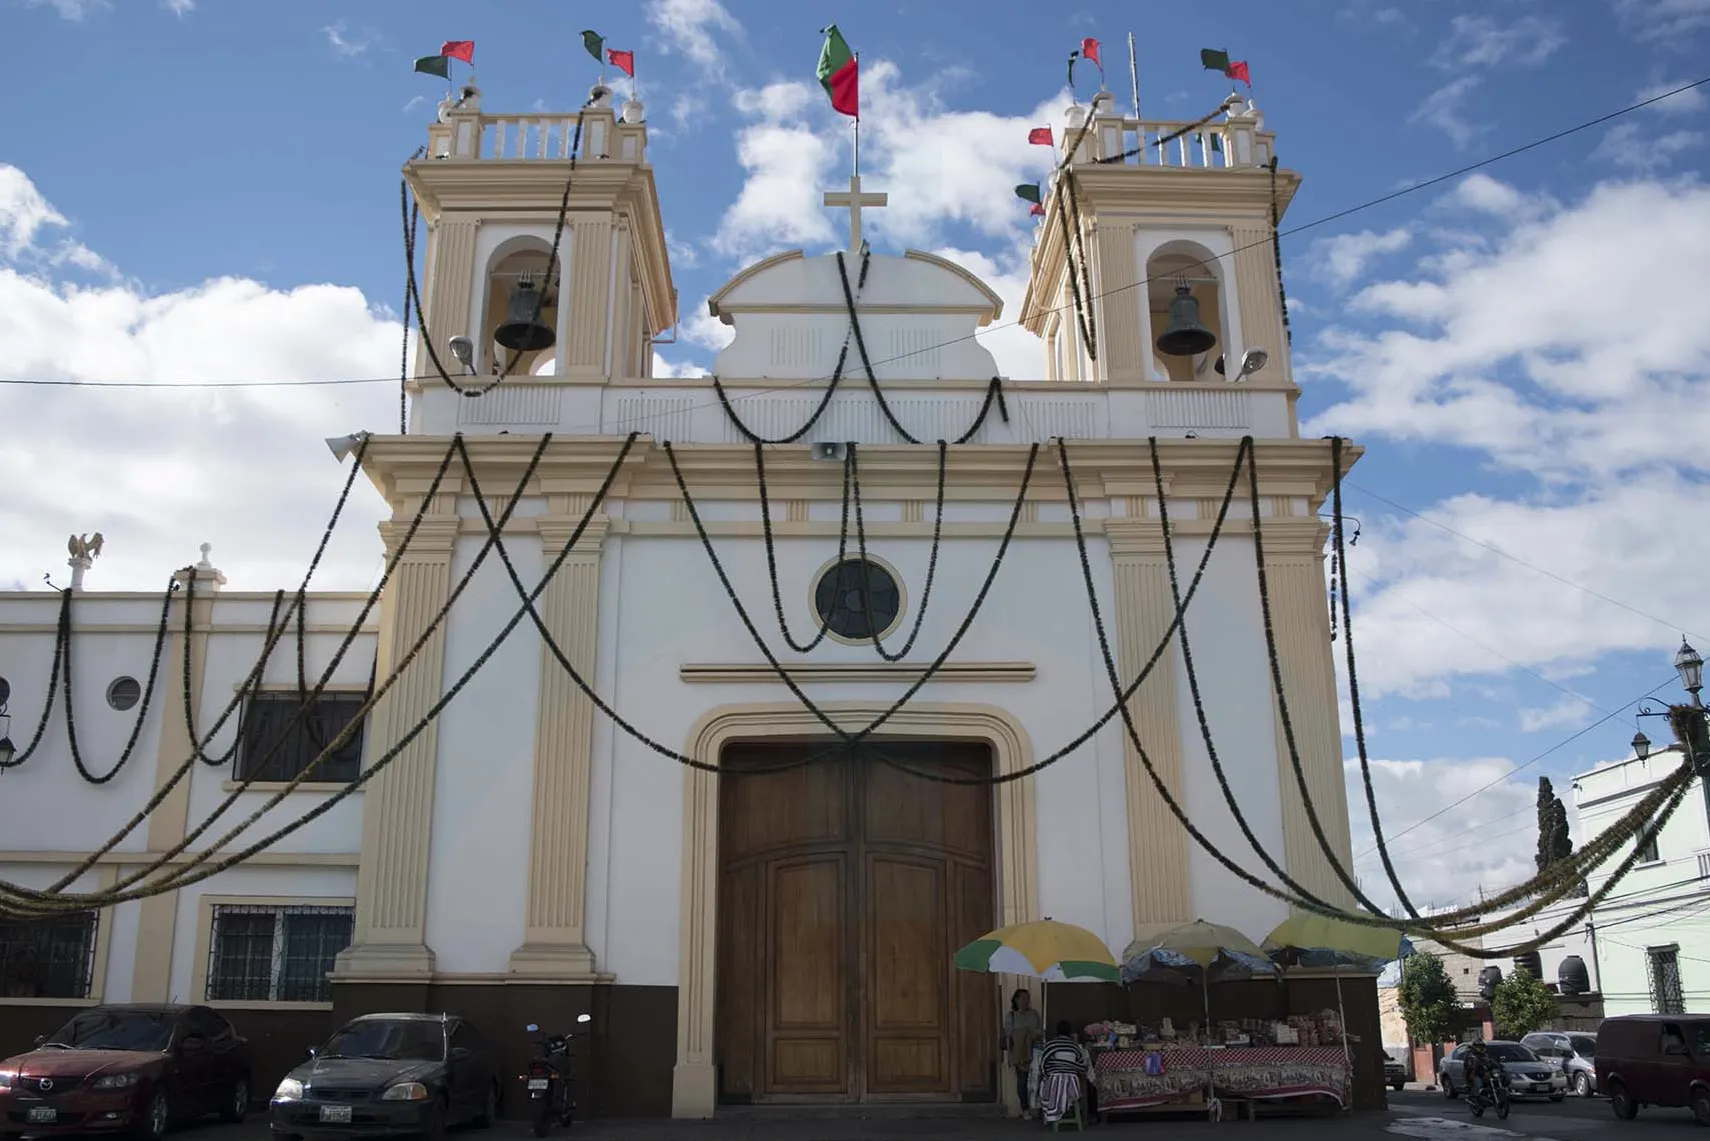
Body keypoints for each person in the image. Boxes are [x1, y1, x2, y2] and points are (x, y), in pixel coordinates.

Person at [1035, 1020, 1094, 1126]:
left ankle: (1049, 1114)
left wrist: (1048, 1074)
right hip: (1072, 1083)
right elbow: (1081, 1066)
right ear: (1069, 1032)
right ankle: (1083, 1116)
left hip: (1054, 1082)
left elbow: (1043, 1063)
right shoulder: (1075, 1046)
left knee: (1043, 1084)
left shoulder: (1051, 1044)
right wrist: (1070, 1068)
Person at [1002, 989, 1042, 1115]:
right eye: (1023, 998)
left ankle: (1038, 1108)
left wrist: (1031, 1034)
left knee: (1038, 1078)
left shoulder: (1034, 1014)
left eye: (1028, 998)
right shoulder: (1011, 1016)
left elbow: (1040, 1031)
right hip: (1019, 1053)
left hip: (1035, 1050)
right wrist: (1009, 1055)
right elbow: (1008, 1036)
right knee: (1022, 1080)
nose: (1026, 1001)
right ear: (1016, 999)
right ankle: (1025, 1109)